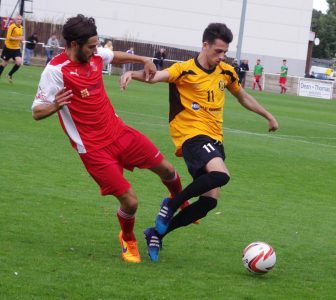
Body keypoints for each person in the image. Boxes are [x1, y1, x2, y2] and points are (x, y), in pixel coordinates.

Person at [31, 14, 186, 264]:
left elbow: (114, 56)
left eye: (96, 46)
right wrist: (55, 106)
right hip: (93, 150)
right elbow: (37, 111)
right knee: (131, 202)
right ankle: (128, 238)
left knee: (167, 169)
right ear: (73, 45)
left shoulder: (93, 55)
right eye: (91, 46)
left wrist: (144, 59)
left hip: (120, 133)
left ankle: (180, 202)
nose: (96, 51)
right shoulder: (55, 71)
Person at [121, 22, 279, 262]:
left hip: (214, 140)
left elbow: (243, 96)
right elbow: (157, 76)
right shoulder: (184, 69)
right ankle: (171, 203)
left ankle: (156, 234)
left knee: (208, 202)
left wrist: (267, 115)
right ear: (205, 45)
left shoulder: (226, 72)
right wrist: (133, 73)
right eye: (218, 51)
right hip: (191, 136)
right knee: (222, 175)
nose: (221, 56)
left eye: (225, 52)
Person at [0, 15, 24, 83]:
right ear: (15, 20)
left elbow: (20, 37)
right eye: (18, 19)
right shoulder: (12, 27)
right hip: (8, 48)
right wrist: (19, 38)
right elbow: (9, 37)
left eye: (20, 19)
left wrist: (21, 40)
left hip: (16, 48)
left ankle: (9, 74)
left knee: (19, 62)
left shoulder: (22, 27)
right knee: (4, 64)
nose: (19, 20)